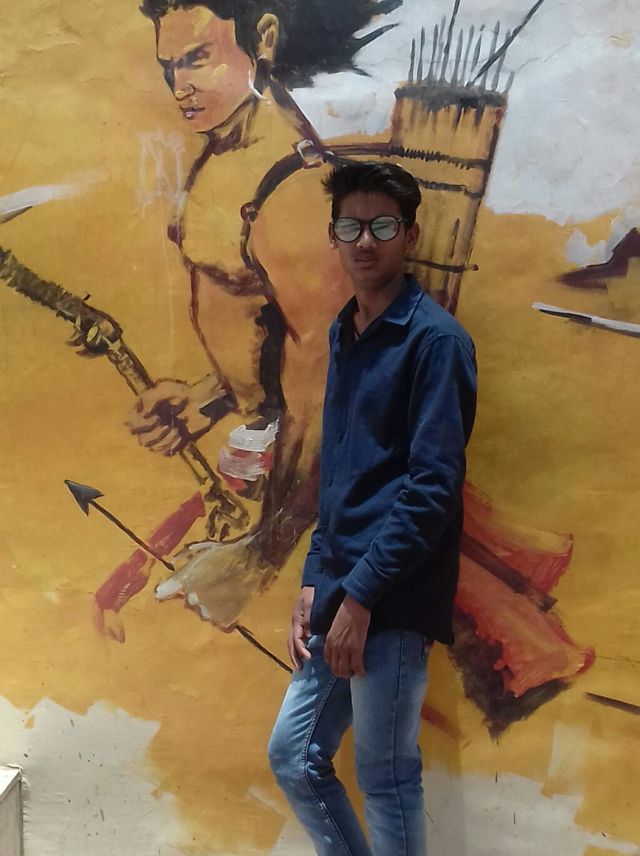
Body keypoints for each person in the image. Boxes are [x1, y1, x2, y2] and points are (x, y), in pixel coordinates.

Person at [268, 161, 477, 855]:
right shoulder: (346, 332)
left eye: (382, 226)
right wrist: (314, 578)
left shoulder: (437, 342)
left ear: (409, 235)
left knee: (386, 777)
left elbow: (431, 488)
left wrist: (358, 598)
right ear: (333, 234)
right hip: (339, 590)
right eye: (351, 226)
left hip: (393, 594)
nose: (365, 241)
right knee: (294, 755)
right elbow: (340, 472)